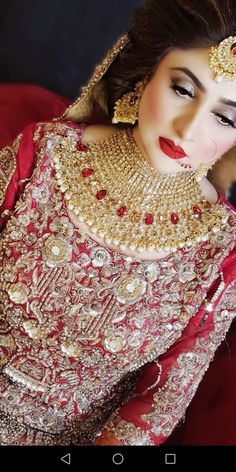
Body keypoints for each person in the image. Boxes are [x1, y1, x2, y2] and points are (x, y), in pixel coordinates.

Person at [0, 0, 235, 446]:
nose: (187, 130)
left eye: (224, 117)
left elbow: (162, 399)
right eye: (183, 90)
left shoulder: (221, 250)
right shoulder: (45, 155)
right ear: (146, 73)